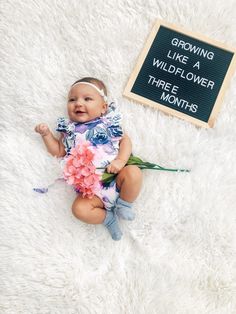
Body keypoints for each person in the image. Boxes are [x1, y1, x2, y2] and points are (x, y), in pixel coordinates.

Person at [35, 77, 142, 240]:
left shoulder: (107, 123)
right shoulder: (68, 130)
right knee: (79, 209)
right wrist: (46, 135)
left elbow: (125, 141)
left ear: (103, 108)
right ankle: (108, 219)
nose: (78, 103)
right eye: (72, 99)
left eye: (87, 99)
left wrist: (120, 161)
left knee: (134, 173)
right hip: (92, 193)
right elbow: (58, 152)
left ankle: (124, 204)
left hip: (116, 178)